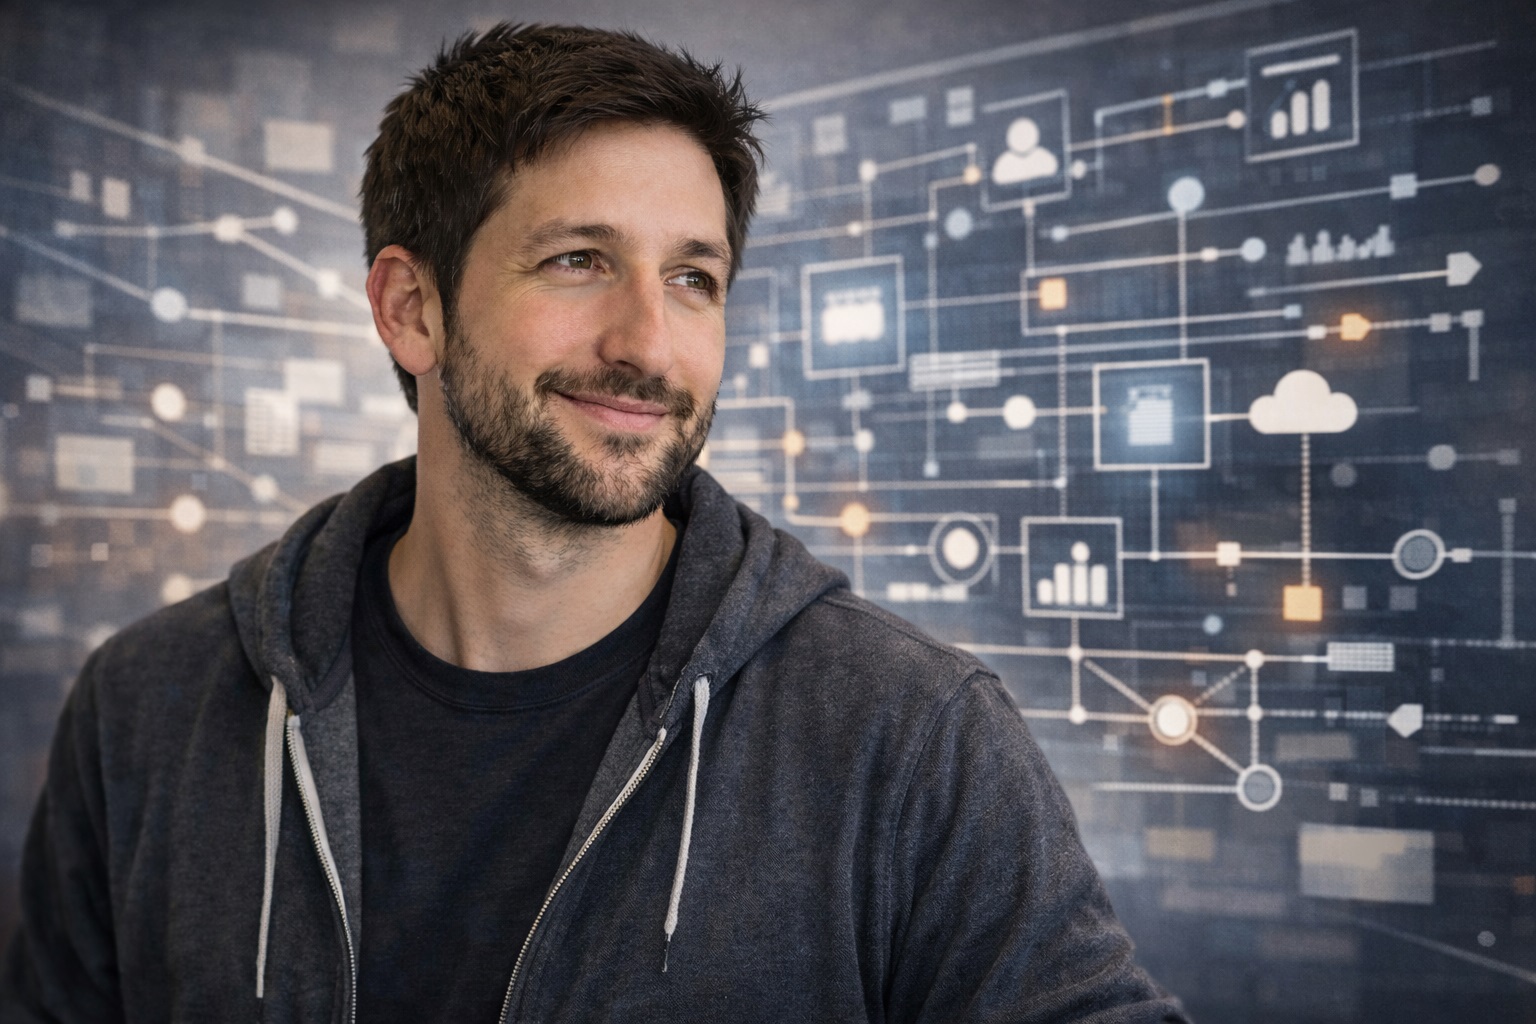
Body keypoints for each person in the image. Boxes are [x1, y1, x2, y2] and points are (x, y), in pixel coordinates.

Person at [0, 24, 1188, 1023]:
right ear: (411, 309)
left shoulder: (910, 737)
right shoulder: (146, 712)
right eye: (579, 260)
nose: (648, 344)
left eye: (693, 278)